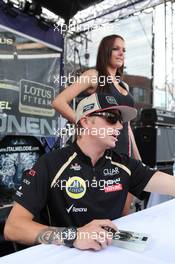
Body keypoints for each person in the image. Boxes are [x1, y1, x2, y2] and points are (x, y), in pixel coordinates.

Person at [4, 93, 175, 251]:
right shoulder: (51, 163)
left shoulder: (124, 164)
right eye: (111, 118)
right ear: (85, 121)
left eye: (120, 121)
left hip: (111, 254)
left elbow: (169, 184)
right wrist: (76, 236)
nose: (119, 126)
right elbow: (13, 227)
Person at [52, 34, 141, 215]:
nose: (121, 53)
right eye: (116, 48)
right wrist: (86, 124)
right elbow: (59, 102)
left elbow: (127, 126)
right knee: (101, 211)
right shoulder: (93, 76)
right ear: (105, 51)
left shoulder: (125, 86)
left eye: (124, 50)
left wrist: (138, 157)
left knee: (125, 213)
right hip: (102, 153)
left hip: (125, 154)